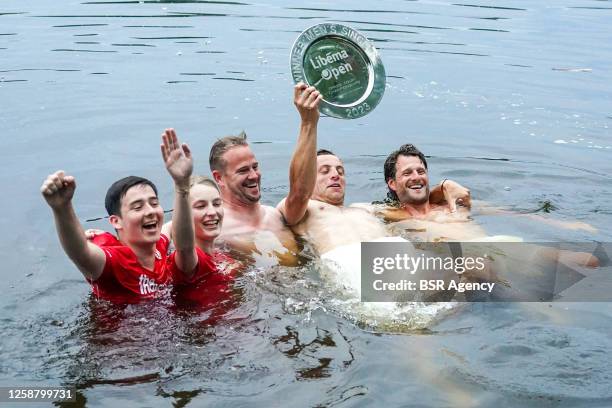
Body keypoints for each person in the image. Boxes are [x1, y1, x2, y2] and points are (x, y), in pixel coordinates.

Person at [40, 129, 198, 303]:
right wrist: (62, 208)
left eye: (154, 203)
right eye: (137, 207)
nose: (150, 211)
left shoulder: (159, 245)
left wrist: (182, 184)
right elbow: (80, 253)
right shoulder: (114, 262)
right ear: (116, 221)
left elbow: (179, 230)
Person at [206, 83, 323, 266]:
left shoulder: (277, 215)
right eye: (243, 170)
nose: (254, 176)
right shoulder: (212, 228)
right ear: (219, 178)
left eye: (255, 167)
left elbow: (300, 194)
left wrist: (309, 123)